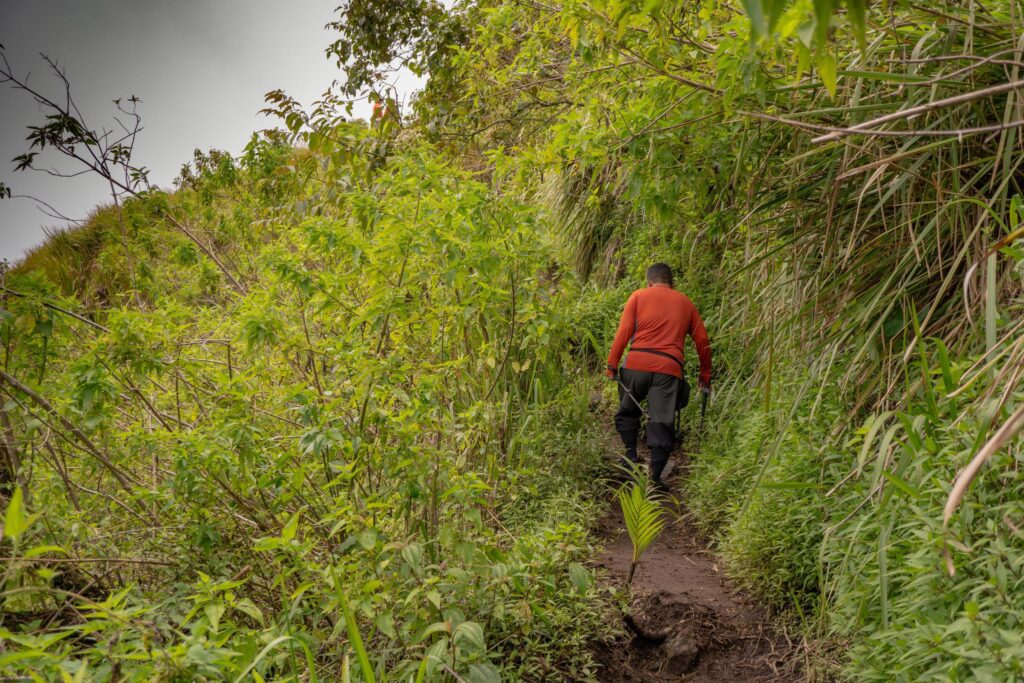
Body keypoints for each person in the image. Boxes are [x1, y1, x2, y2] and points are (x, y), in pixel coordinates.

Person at [606, 263, 712, 487]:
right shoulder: (686, 303)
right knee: (662, 421)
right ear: (672, 284)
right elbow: (702, 341)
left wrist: (612, 364)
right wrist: (705, 374)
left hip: (636, 363)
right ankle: (655, 478)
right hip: (667, 368)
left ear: (649, 282)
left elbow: (624, 332)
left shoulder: (638, 296)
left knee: (627, 411)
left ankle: (630, 458)